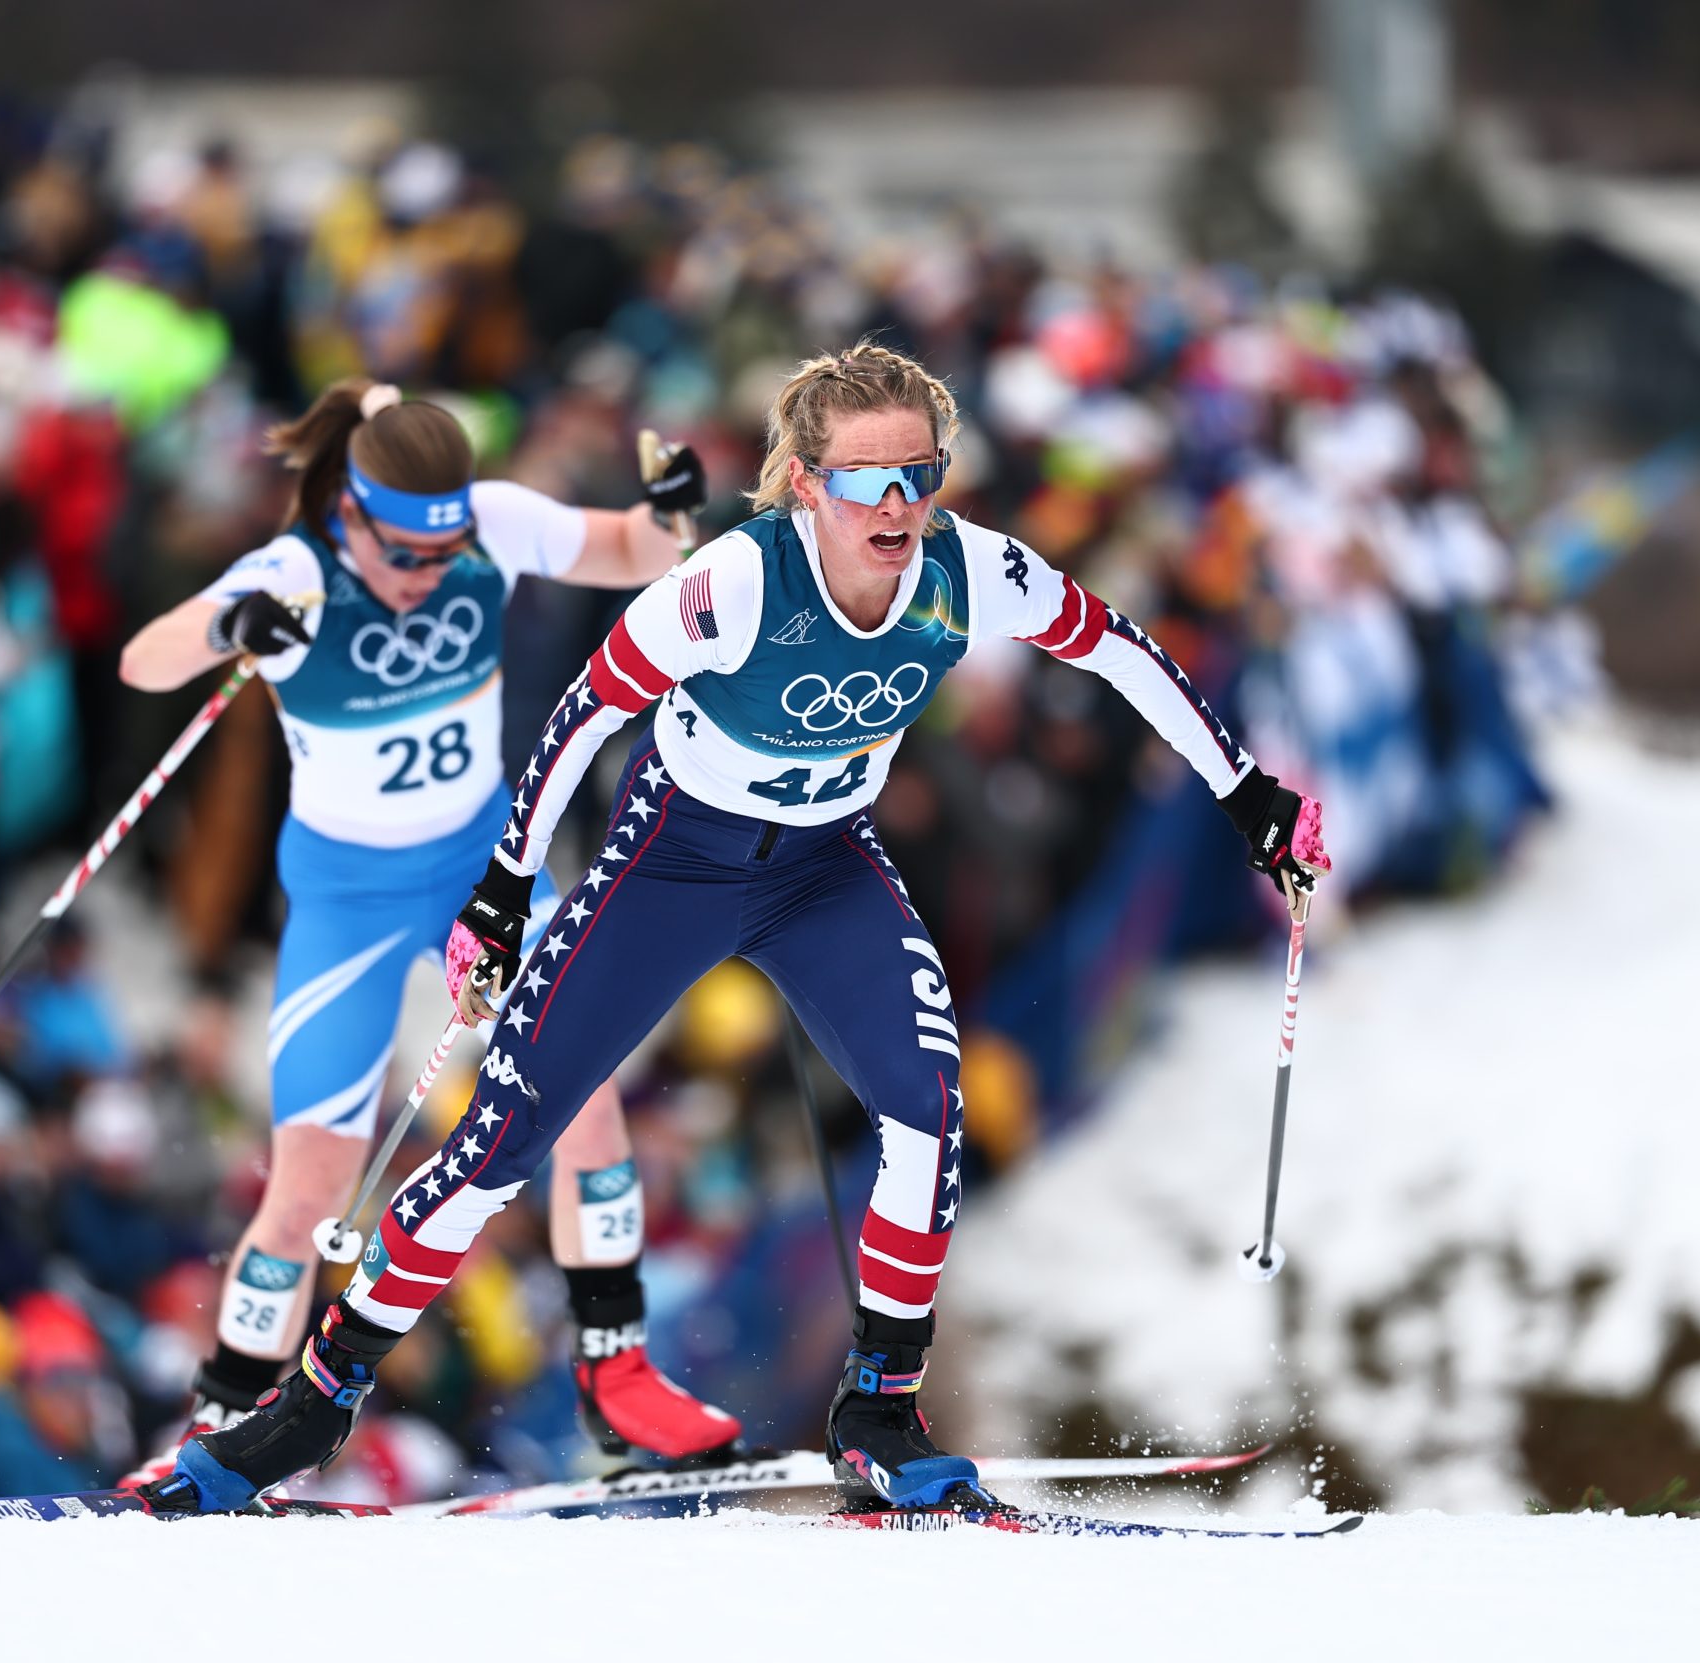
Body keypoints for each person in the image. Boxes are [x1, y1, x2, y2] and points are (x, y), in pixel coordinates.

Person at [151, 343, 1329, 1517]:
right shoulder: (733, 585)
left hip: (825, 866)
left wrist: (1247, 795)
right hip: (675, 863)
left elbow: (1120, 651)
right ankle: (315, 1396)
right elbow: (579, 720)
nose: (901, 507)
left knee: (928, 1107)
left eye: (922, 475)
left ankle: (879, 1406)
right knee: (504, 1141)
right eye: (868, 481)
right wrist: (507, 890)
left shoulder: (969, 571)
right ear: (808, 484)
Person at [115, 377, 735, 1485]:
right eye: (402, 555)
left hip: (479, 871)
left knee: (587, 1104)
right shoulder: (299, 571)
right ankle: (218, 1436)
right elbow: (143, 660)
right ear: (352, 515)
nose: (422, 578)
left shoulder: (482, 522)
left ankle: (618, 1376)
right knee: (308, 1186)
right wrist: (225, 624)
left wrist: (674, 505)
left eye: (441, 557)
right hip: (346, 902)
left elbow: (636, 549)